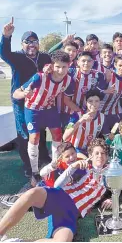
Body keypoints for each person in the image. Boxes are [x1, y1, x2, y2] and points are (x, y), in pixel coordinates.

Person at [0, 139, 111, 242]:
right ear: (91, 155)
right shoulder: (84, 166)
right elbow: (57, 184)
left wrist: (109, 198)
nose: (100, 156)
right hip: (62, 197)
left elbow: (114, 186)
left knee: (61, 241)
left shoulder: (110, 174)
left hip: (72, 213)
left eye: (103, 153)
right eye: (97, 153)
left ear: (106, 156)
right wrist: (73, 166)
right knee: (31, 194)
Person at [12, 51, 77, 184]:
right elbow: (15, 94)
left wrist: (77, 110)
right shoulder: (39, 77)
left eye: (64, 67)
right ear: (52, 65)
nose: (61, 70)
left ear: (68, 65)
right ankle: (35, 172)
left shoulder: (69, 80)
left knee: (57, 135)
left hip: (49, 109)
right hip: (33, 109)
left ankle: (55, 165)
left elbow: (66, 98)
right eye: (58, 66)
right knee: (34, 137)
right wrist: (24, 93)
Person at [0, 18, 51, 177]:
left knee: (40, 131)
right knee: (24, 134)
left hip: (38, 101)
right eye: (27, 42)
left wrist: (63, 43)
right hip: (21, 102)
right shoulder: (16, 57)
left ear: (38, 44)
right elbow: (4, 52)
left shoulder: (43, 57)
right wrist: (6, 37)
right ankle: (28, 166)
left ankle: (43, 159)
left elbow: (54, 54)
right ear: (22, 45)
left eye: (34, 41)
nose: (31, 45)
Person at [63, 89, 105, 157]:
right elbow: (65, 137)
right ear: (86, 102)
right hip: (75, 150)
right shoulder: (76, 115)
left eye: (96, 101)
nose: (94, 104)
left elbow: (105, 136)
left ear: (100, 102)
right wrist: (81, 121)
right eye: (90, 101)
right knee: (86, 162)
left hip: (90, 151)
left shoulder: (102, 117)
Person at [99, 54, 122, 134]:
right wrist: (105, 91)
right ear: (115, 65)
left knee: (117, 133)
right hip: (100, 111)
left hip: (114, 111)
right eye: (120, 65)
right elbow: (96, 92)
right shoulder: (107, 76)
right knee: (105, 135)